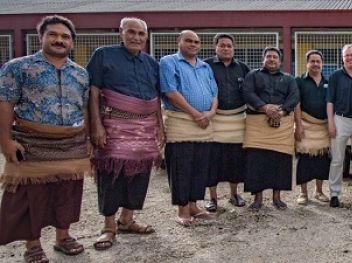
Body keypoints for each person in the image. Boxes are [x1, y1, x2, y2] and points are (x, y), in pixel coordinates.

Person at [0, 15, 90, 262]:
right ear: (41, 37)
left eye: (65, 36)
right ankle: (33, 245)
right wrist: (5, 141)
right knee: (31, 196)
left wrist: (88, 138)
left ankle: (63, 237)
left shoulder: (81, 73)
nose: (59, 40)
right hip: (32, 142)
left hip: (71, 143)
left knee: (68, 192)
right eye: (53, 35)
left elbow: (84, 109)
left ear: (71, 42)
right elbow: (5, 104)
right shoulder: (18, 67)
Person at [87, 17, 162, 250]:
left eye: (141, 34)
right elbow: (93, 90)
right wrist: (96, 126)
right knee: (111, 174)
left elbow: (156, 96)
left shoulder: (151, 63)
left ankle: (127, 220)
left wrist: (161, 125)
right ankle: (109, 227)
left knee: (140, 174)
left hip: (146, 126)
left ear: (146, 37)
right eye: (131, 32)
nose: (136, 37)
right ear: (120, 32)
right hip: (114, 125)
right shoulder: (103, 55)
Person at [160, 30, 218, 227]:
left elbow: (214, 93)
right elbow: (170, 91)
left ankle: (194, 205)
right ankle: (183, 209)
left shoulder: (205, 67)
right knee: (181, 167)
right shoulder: (169, 62)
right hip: (182, 121)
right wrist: (195, 113)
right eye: (189, 41)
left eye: (197, 42)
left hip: (205, 123)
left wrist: (209, 114)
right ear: (179, 42)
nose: (193, 44)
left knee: (200, 167)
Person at [242, 46, 299, 212]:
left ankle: (277, 197)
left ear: (280, 61)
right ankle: (258, 198)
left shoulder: (289, 79)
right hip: (257, 123)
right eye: (269, 56)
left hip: (281, 124)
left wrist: (280, 112)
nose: (272, 59)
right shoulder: (252, 75)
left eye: (275, 57)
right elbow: (247, 93)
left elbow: (294, 96)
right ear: (263, 59)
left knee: (279, 161)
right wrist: (265, 108)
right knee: (256, 160)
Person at [203, 33, 251, 212]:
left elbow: (250, 91)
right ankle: (212, 198)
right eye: (222, 45)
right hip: (214, 119)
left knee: (235, 159)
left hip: (237, 119)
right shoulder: (205, 66)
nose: (226, 48)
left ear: (234, 48)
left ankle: (234, 194)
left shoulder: (243, 67)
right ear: (215, 47)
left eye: (229, 45)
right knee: (212, 159)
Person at [326, 44, 352, 208]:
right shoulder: (335, 76)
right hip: (340, 120)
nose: (350, 58)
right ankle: (334, 194)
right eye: (347, 55)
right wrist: (330, 122)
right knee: (337, 159)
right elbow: (330, 100)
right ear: (342, 58)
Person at [294, 50, 331, 205]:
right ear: (307, 63)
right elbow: (297, 103)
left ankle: (319, 191)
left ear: (322, 64)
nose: (315, 64)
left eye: (318, 61)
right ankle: (303, 193)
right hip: (306, 124)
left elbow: (331, 104)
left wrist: (330, 123)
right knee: (304, 160)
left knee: (322, 159)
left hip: (323, 126)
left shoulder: (328, 81)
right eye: (312, 61)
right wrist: (298, 125)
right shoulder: (299, 81)